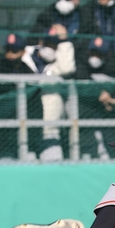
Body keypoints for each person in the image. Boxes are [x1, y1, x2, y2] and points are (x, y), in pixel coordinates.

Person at [37, 24, 77, 161]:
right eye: (47, 43)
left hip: (50, 131)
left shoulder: (58, 64)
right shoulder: (28, 58)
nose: (49, 48)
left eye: (53, 45)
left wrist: (64, 41)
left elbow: (67, 68)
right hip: (27, 122)